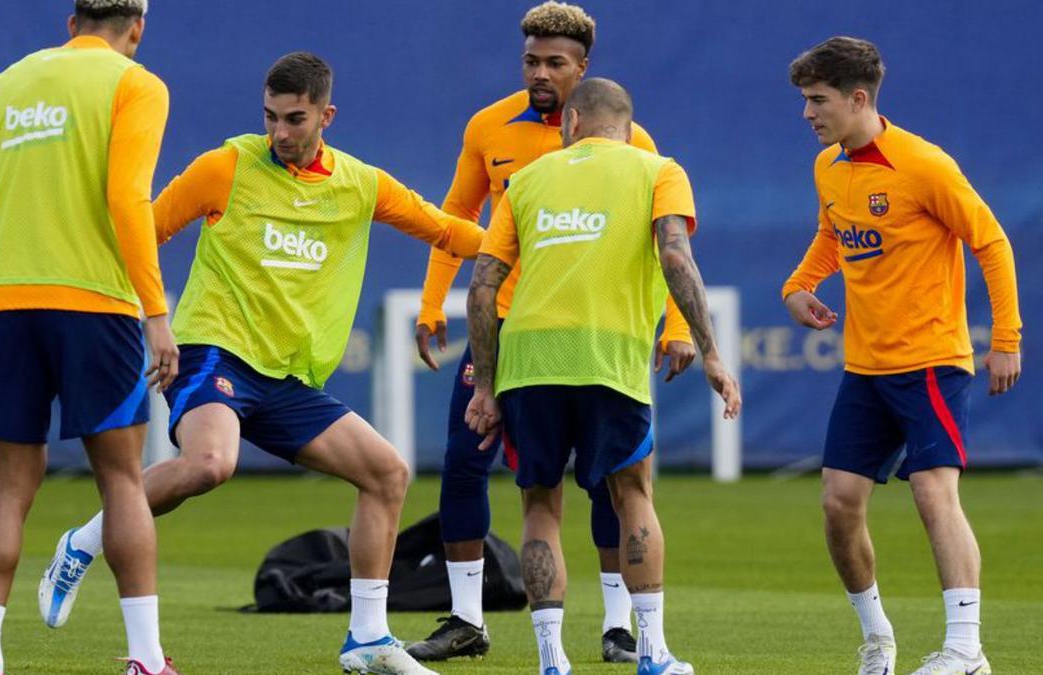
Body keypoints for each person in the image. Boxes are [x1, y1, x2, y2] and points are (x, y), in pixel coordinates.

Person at [38, 51, 486, 675]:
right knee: (211, 463)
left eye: (295, 119)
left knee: (387, 473)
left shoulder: (361, 184)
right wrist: (143, 315)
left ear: (327, 115)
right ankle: (84, 541)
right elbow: (144, 229)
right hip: (213, 349)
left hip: (287, 377)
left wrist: (520, 249)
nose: (279, 132)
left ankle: (367, 638)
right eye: (270, 117)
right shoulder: (226, 166)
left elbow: (446, 231)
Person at [409, 2, 695, 663]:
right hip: (504, 326)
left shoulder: (633, 141)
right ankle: (465, 618)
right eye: (531, 60)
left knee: (609, 480)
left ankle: (616, 626)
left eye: (555, 63)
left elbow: (664, 244)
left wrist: (676, 324)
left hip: (584, 330)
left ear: (582, 69)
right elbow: (455, 218)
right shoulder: (488, 127)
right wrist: (432, 305)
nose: (540, 72)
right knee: (463, 459)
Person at [0, 1, 181, 674]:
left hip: (6, 307)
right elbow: (129, 197)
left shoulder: (4, 84)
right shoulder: (137, 83)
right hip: (99, 306)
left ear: (71, 24)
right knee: (122, 480)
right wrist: (156, 311)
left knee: (7, 487)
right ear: (137, 29)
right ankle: (146, 659)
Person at [465, 77, 741, 675]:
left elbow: (482, 285)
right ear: (626, 125)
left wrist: (486, 385)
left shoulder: (526, 181)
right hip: (609, 358)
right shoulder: (659, 170)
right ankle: (652, 653)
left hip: (528, 361)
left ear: (571, 123)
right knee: (632, 496)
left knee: (541, 503)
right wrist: (710, 350)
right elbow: (675, 256)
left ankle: (550, 660)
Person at [782, 36, 1021, 675]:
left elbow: (991, 242)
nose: (808, 113)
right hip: (865, 367)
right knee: (837, 504)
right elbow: (833, 235)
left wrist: (1006, 340)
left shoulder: (924, 165)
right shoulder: (828, 166)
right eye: (805, 101)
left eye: (818, 100)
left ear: (858, 98)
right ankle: (878, 638)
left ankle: (967, 650)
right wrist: (799, 286)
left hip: (931, 362)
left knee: (933, 493)